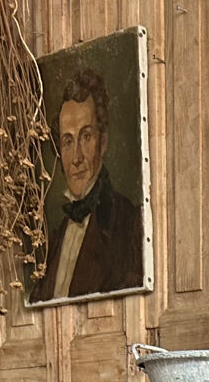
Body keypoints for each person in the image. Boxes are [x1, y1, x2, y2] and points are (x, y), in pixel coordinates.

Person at [30, 69, 144, 303]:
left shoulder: (127, 224)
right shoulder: (53, 240)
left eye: (86, 136)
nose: (76, 157)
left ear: (103, 142)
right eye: (68, 141)